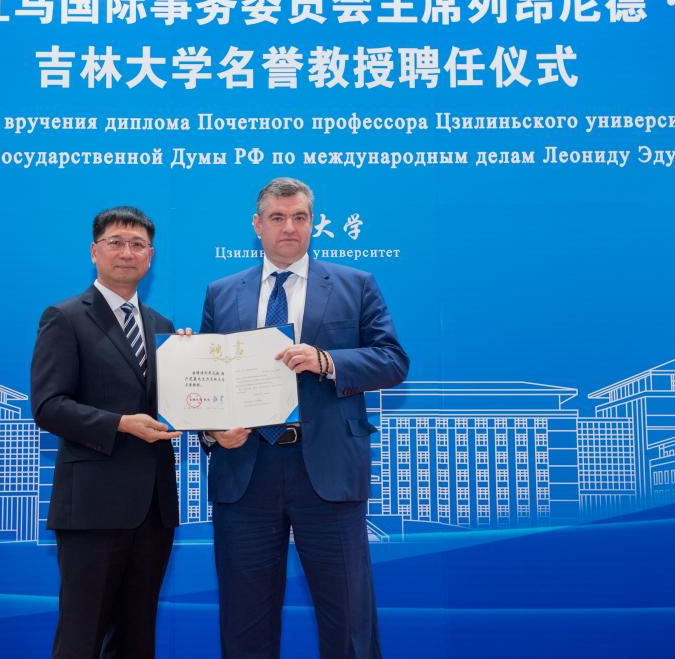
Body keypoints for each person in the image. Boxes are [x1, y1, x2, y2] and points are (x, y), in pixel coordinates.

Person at [200, 178, 409, 658]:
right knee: (245, 622)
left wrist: (327, 360)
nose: (289, 227)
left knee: (348, 619)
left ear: (313, 223)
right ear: (258, 225)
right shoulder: (221, 293)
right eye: (277, 218)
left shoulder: (356, 284)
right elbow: (211, 385)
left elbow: (393, 361)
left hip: (328, 470)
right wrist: (212, 431)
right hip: (245, 472)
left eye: (299, 217)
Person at [30, 206, 180, 659]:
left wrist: (195, 372)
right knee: (81, 637)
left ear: (150, 256)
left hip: (153, 510)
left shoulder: (165, 329)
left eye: (137, 244)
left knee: (137, 639)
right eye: (116, 242)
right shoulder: (64, 317)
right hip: (91, 509)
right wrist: (119, 424)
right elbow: (48, 406)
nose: (126, 252)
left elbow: (174, 410)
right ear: (95, 252)